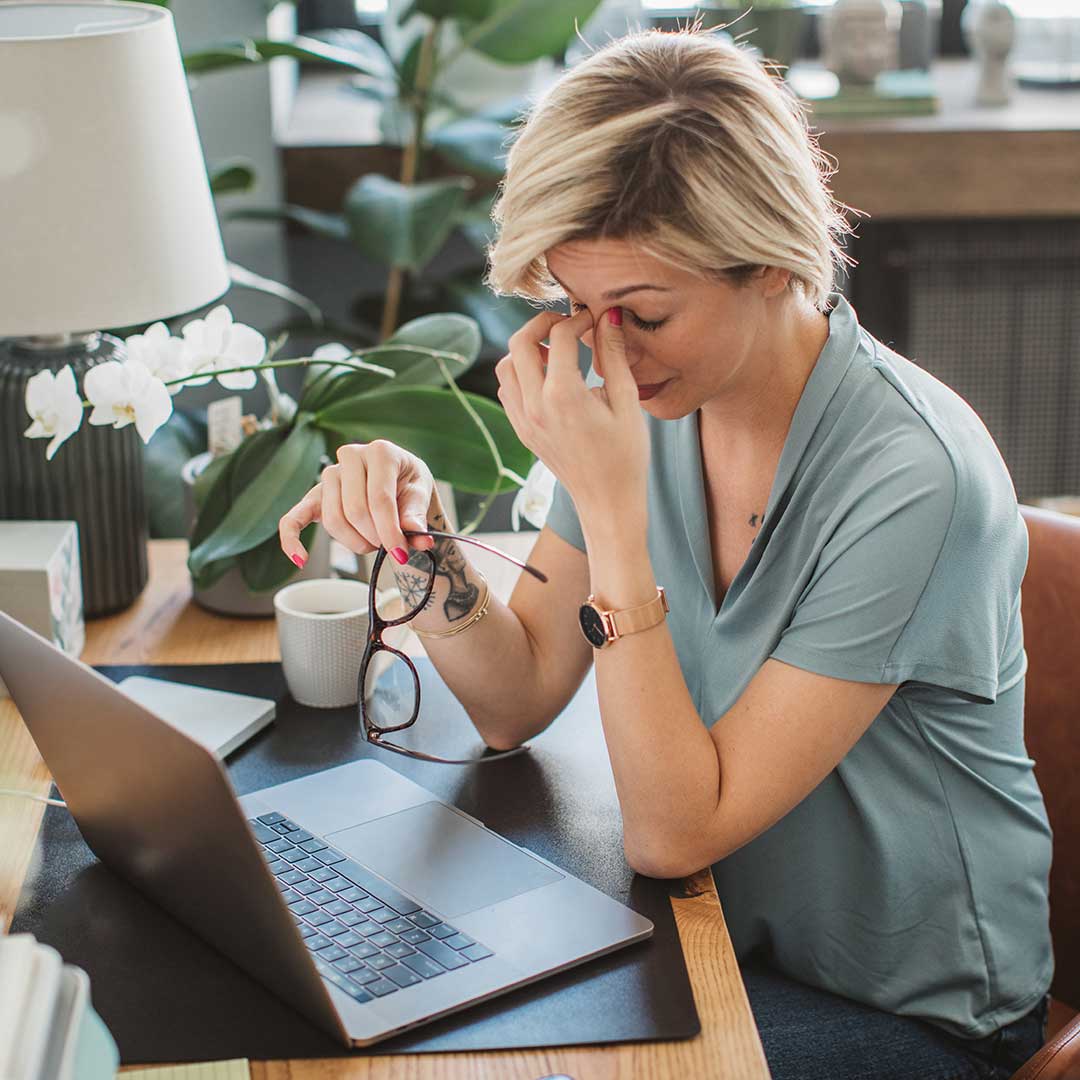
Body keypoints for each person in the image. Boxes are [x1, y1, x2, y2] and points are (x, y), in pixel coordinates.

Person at [278, 25, 1053, 1080]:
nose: (604, 353)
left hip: (912, 1011)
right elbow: (518, 693)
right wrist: (413, 546)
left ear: (775, 263)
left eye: (643, 312)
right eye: (573, 308)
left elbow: (672, 836)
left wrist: (611, 507)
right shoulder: (657, 395)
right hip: (709, 940)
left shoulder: (914, 481)